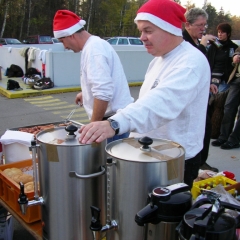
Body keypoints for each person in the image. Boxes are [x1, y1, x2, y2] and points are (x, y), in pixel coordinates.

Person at [78, 0, 210, 189]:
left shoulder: (191, 62)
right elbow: (146, 101)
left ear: (170, 29)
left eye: (148, 30)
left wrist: (115, 123)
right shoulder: (159, 59)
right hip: (149, 152)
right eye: (141, 31)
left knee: (163, 216)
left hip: (175, 159)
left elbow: (162, 103)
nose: (142, 37)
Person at [53, 10, 134, 142]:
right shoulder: (95, 45)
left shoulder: (93, 50)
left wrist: (92, 129)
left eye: (63, 41)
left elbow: (103, 93)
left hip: (111, 125)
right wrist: (86, 94)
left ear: (71, 35)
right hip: (115, 121)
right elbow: (105, 83)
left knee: (108, 162)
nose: (65, 46)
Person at [183, 7, 218, 172]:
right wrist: (203, 46)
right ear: (187, 25)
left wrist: (208, 82)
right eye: (199, 25)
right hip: (189, 97)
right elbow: (192, 63)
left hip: (201, 92)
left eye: (205, 25)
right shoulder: (184, 42)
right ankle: (195, 163)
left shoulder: (196, 42)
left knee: (206, 126)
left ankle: (201, 161)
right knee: (199, 126)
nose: (203, 28)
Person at [212, 47, 240, 149]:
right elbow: (237, 51)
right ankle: (224, 136)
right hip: (237, 79)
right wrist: (235, 56)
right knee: (228, 107)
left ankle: (234, 140)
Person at [207, 23, 238, 93]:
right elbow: (207, 61)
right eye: (219, 32)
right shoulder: (213, 46)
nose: (220, 34)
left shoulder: (233, 47)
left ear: (228, 34)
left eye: (222, 32)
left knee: (220, 99)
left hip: (225, 79)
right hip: (212, 78)